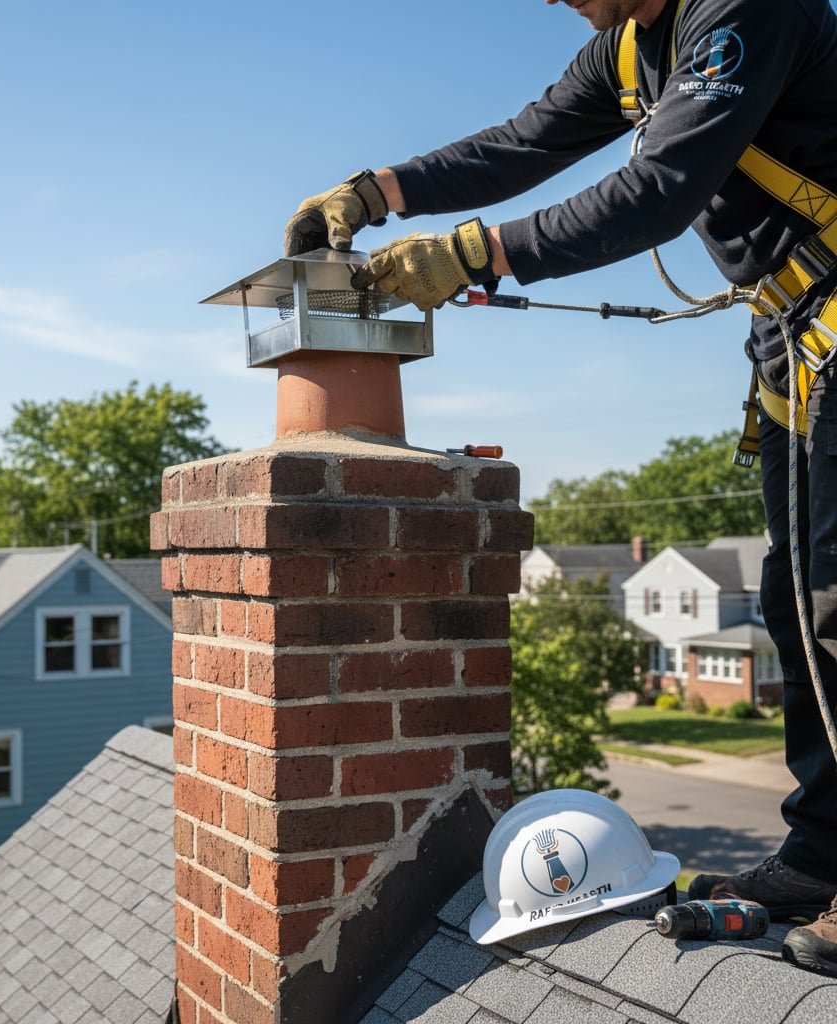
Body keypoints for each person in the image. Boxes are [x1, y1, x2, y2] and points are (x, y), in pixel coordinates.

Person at [283, 0, 837, 975]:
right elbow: (523, 143)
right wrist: (376, 193)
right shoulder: (629, 47)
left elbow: (659, 188)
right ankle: (822, 853)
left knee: (836, 605)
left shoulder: (746, 6)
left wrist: (471, 253)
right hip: (790, 327)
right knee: (797, 606)